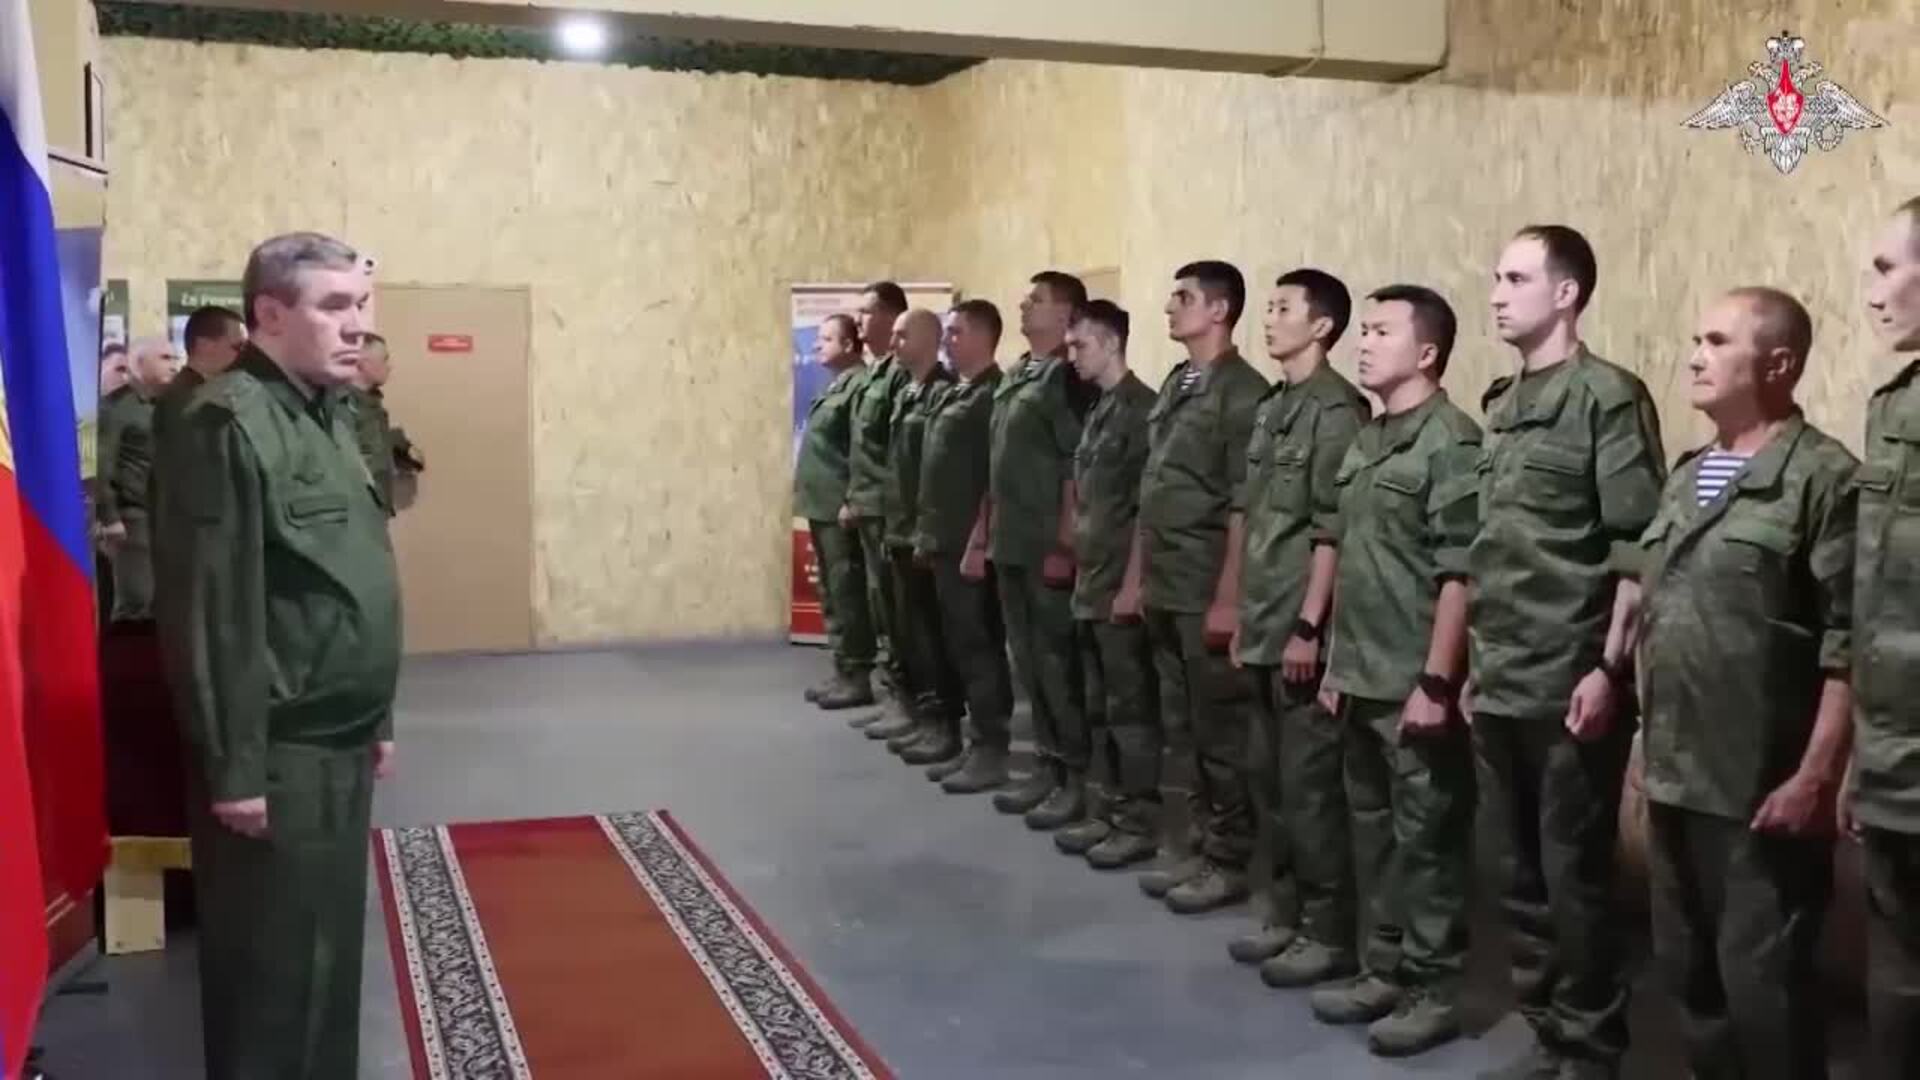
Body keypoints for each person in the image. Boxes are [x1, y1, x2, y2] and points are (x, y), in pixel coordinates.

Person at [161, 231, 401, 1080]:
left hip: (339, 737)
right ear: (268, 314)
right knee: (269, 976)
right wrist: (235, 768)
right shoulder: (225, 421)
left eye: (360, 304)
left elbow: (350, 570)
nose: (356, 324)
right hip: (277, 749)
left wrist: (378, 714)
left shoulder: (329, 414)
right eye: (333, 306)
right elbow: (212, 606)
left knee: (328, 960)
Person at [1609, 287, 1855, 1080]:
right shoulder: (1688, 475)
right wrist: (1645, 736)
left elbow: (1848, 643)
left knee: (1765, 988)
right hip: (1677, 771)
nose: (1695, 357)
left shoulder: (1822, 479)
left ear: (1778, 364)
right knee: (1689, 975)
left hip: (1759, 783)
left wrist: (1817, 775)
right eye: (1695, 340)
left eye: (1717, 342)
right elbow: (1661, 613)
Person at [1470, 226, 1664, 1080]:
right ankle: (1547, 1030)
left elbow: (1634, 550)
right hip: (1499, 674)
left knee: (1574, 878)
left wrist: (1609, 670)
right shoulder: (1501, 406)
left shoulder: (1606, 398)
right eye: (1496, 278)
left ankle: (1591, 1048)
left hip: (1568, 678)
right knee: (1516, 875)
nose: (1496, 294)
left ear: (1566, 293)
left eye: (1516, 278)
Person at [1310, 285, 1481, 1058]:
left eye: (1382, 332)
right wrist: (1336, 661)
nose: (1364, 342)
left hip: (1412, 681)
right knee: (1373, 835)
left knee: (1427, 845)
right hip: (1361, 673)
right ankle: (1382, 968)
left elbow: (1459, 572)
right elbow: (1353, 558)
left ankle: (1432, 989)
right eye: (1365, 330)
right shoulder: (1367, 440)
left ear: (1428, 352)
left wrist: (1437, 681)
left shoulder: (1451, 442)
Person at [1230, 269, 1371, 982]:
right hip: (1262, 618)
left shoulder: (1336, 411)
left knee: (1311, 791)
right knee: (1271, 784)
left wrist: (1310, 627)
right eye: (1269, 306)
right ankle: (1285, 913)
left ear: (1321, 326)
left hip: (1297, 627)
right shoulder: (1273, 406)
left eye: (1283, 308)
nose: (1269, 318)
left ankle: (1328, 931)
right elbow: (1254, 515)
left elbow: (1331, 531)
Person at [1133, 260, 1268, 915]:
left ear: (1219, 310)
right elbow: (1155, 485)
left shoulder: (1244, 393)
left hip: (1203, 582)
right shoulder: (1179, 381)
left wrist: (1228, 597)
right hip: (1166, 579)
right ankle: (1194, 844)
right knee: (1181, 727)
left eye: (1183, 297)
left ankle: (1230, 858)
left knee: (1220, 734)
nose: (1169, 307)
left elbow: (1244, 503)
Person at [1848, 193, 1920, 1080]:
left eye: (1887, 268)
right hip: (1896, 749)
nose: (1871, 292)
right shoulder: (1894, 405)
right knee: (1897, 977)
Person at [1051, 299, 1163, 869]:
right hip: (1091, 583)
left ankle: (1137, 821)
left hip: (1120, 583)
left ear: (1113, 343)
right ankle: (1109, 808)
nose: (1072, 356)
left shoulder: (1143, 410)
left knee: (1129, 711)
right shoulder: (1099, 409)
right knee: (1099, 707)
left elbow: (1147, 509)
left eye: (1081, 345)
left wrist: (1132, 585)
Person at [985, 271, 1098, 829]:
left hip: (1047, 546)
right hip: (1012, 542)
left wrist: (1065, 543)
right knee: (1029, 663)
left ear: (1067, 314)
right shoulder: (1019, 373)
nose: (1024, 305)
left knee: (1057, 666)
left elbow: (1077, 466)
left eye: (1038, 300)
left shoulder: (1068, 378)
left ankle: (1076, 778)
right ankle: (1049, 768)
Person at [918, 300, 1016, 794]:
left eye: (956, 332)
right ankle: (968, 738)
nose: (947, 341)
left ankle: (991, 747)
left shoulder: (993, 396)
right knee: (957, 643)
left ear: (982, 337)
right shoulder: (958, 391)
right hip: (944, 537)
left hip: (969, 545)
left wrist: (979, 539)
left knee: (979, 646)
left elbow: (995, 479)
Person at [877, 309, 965, 766]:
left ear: (930, 339)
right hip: (900, 528)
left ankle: (943, 723)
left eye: (902, 335)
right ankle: (920, 711)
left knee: (934, 633)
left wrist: (925, 532)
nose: (893, 343)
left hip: (925, 533)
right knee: (911, 631)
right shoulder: (907, 391)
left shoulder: (943, 392)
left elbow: (940, 473)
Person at [795, 313, 880, 711]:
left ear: (849, 345)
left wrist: (853, 499)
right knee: (832, 591)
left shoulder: (861, 385)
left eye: (827, 339)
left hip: (840, 507)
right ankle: (843, 667)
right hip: (822, 504)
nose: (817, 345)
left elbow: (862, 450)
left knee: (848, 591)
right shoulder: (837, 385)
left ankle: (857, 673)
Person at [839, 281, 912, 719]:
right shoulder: (874, 373)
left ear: (889, 315)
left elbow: (898, 451)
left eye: (865, 312)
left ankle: (906, 702)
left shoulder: (900, 374)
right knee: (881, 606)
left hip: (888, 512)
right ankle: (894, 696)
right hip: (869, 507)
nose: (858, 320)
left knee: (898, 611)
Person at [151, 306, 247, 632]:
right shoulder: (187, 399)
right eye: (237, 346)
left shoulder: (200, 393)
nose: (242, 356)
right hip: (194, 532)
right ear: (205, 345)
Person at [96, 335, 180, 621]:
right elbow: (102, 465)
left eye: (175, 358)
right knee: (137, 602)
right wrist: (110, 518)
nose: (174, 365)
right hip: (132, 520)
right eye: (165, 358)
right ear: (140, 363)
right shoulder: (117, 407)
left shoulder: (167, 405)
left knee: (160, 603)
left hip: (164, 517)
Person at [347, 333, 425, 516]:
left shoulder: (370, 402)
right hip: (355, 514)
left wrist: (401, 446)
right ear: (362, 363)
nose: (389, 366)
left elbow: (370, 443)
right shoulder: (340, 406)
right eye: (384, 359)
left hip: (376, 510)